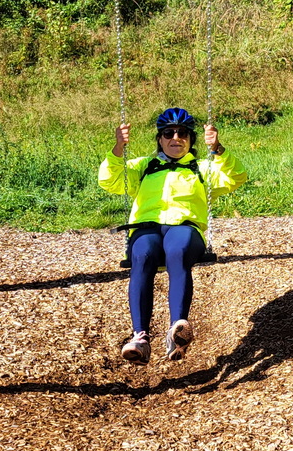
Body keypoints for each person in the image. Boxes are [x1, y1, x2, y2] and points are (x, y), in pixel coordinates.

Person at [99, 106, 247, 364]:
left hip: (185, 227)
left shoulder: (203, 168)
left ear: (191, 139)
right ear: (160, 138)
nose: (175, 138)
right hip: (146, 227)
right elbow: (110, 180)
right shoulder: (143, 166)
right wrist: (118, 148)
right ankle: (140, 338)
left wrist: (219, 149)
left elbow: (235, 177)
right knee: (143, 254)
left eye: (182, 133)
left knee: (177, 250)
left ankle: (176, 330)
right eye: (168, 133)